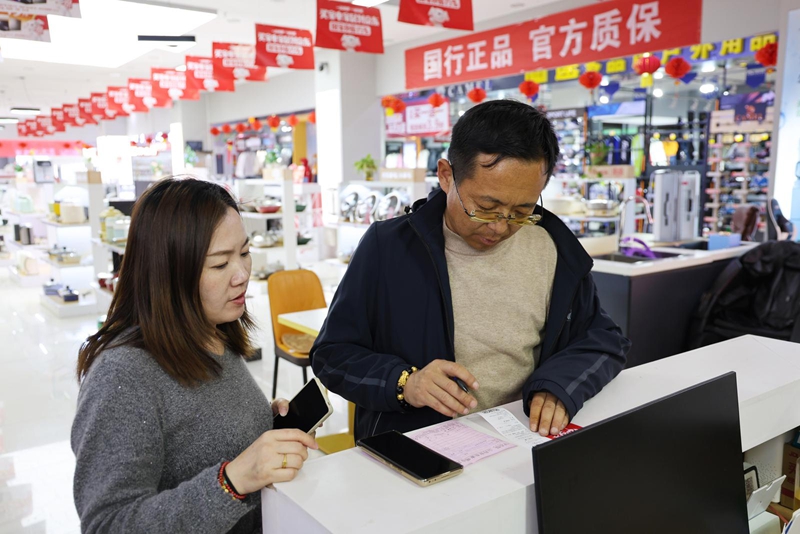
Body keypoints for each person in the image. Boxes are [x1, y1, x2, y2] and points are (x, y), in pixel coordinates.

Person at [311, 99, 630, 441]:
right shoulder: (388, 248)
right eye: (485, 207)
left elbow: (603, 340)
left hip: (521, 439)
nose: (500, 227)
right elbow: (332, 355)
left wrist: (559, 385)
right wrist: (405, 383)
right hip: (417, 447)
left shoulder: (555, 250)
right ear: (446, 176)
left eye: (521, 211)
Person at [72, 178, 317, 534]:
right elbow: (107, 524)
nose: (242, 274)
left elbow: (197, 433)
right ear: (169, 273)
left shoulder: (213, 333)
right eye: (220, 264)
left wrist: (261, 423)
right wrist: (232, 481)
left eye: (244, 253)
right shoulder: (122, 375)